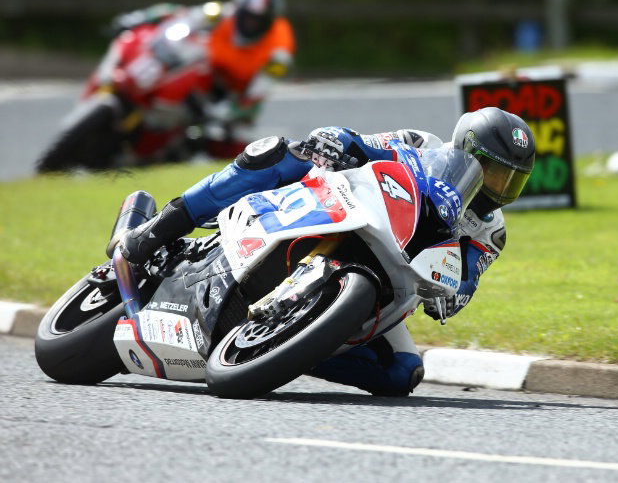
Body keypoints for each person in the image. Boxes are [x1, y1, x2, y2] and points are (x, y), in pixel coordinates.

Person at [112, 107, 536, 396]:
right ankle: (157, 229)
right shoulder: (422, 144)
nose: (499, 188)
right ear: (465, 149)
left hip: (392, 276)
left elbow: (468, 276)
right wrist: (336, 143)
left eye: (511, 181)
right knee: (274, 153)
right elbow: (364, 143)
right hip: (349, 214)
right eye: (493, 172)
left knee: (403, 372)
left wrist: (454, 294)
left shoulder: (492, 231)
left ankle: (285, 348)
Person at [103, 0, 295, 157]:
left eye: (258, 20)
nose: (250, 24)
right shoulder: (220, 12)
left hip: (233, 96)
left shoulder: (280, 51)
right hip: (204, 76)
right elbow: (180, 14)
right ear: (238, 8)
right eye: (247, 16)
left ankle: (168, 156)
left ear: (271, 20)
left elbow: (257, 94)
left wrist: (224, 112)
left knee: (237, 145)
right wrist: (141, 18)